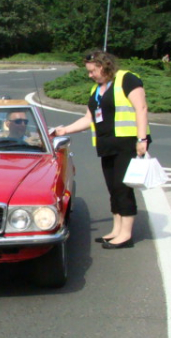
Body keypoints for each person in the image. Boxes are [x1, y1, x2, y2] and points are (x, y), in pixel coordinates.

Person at [55, 50, 151, 250]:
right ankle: (116, 230)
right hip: (106, 145)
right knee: (113, 188)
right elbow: (89, 119)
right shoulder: (96, 90)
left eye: (92, 71)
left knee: (123, 188)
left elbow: (141, 108)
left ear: (102, 66)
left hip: (127, 143)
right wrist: (64, 130)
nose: (90, 75)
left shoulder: (127, 79)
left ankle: (126, 235)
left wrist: (142, 139)